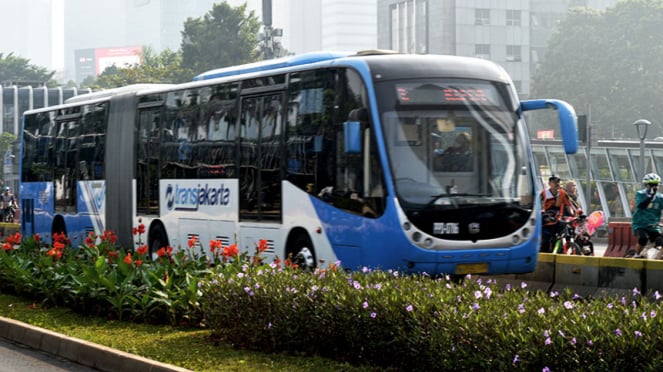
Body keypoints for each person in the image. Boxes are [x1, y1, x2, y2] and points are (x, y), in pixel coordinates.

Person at [629, 173, 663, 258]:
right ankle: (637, 254)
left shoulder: (660, 198)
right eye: (652, 185)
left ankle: (657, 257)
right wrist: (650, 196)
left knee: (660, 240)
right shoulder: (640, 194)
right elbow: (641, 205)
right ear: (646, 185)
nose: (654, 187)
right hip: (640, 225)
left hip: (653, 226)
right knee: (643, 238)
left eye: (656, 185)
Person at [540, 175, 574, 253]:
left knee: (568, 233)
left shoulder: (562, 193)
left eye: (558, 182)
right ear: (549, 184)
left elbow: (571, 204)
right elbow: (538, 205)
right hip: (546, 222)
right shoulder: (544, 193)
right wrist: (542, 213)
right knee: (546, 241)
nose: (557, 184)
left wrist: (578, 213)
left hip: (558, 220)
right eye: (554, 182)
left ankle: (563, 250)